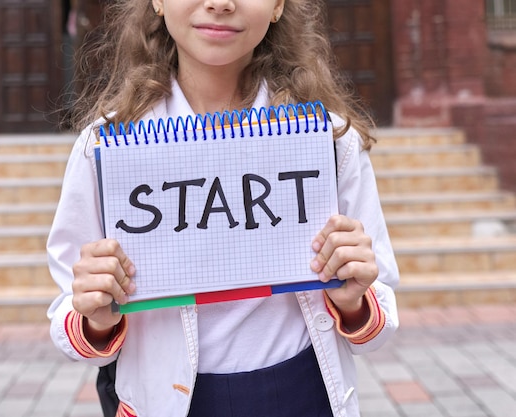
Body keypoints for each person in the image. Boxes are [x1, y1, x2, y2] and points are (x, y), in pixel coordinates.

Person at [47, 0, 399, 416]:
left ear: (278, 6)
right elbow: (69, 319)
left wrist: (354, 300)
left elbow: (380, 315)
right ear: (157, 2)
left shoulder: (328, 141)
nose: (220, 3)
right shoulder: (106, 149)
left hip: (305, 392)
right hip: (170, 402)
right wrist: (95, 316)